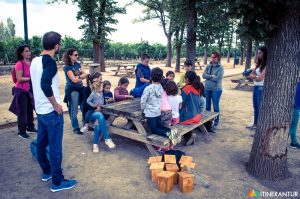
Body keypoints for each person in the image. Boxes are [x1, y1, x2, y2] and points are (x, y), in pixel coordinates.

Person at [30, 31, 77, 192]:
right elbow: (44, 85)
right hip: (51, 112)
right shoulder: (49, 61)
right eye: (60, 45)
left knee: (42, 143)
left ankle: (47, 171)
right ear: (56, 46)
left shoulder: (34, 61)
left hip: (41, 112)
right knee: (55, 147)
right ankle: (57, 182)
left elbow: (33, 86)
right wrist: (56, 104)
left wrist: (37, 104)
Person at [141, 67, 180, 145]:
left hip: (150, 113)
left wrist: (143, 111)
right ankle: (172, 132)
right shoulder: (161, 88)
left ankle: (170, 135)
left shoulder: (148, 88)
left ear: (151, 77)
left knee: (154, 129)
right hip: (158, 112)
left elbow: (143, 101)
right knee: (159, 125)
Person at [9, 44, 37, 139]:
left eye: (29, 50)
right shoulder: (19, 64)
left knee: (30, 110)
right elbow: (19, 78)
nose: (29, 52)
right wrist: (32, 78)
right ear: (21, 53)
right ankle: (21, 131)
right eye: (26, 51)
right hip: (21, 90)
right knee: (22, 112)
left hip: (29, 90)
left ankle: (30, 127)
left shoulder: (31, 63)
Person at [85, 74, 116, 153]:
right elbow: (85, 105)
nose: (102, 80)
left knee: (98, 123)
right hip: (90, 113)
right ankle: (106, 138)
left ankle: (95, 144)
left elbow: (102, 103)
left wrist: (103, 105)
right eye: (100, 79)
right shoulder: (88, 91)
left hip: (99, 113)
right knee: (99, 115)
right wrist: (95, 107)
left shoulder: (101, 92)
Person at [63, 48, 88, 135]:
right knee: (74, 109)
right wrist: (81, 76)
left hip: (80, 88)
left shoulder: (77, 64)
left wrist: (79, 77)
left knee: (83, 107)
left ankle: (86, 125)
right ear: (70, 56)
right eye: (75, 55)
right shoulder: (67, 67)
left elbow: (86, 74)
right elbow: (73, 80)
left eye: (77, 55)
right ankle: (76, 127)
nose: (77, 56)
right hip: (72, 90)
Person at [180, 71, 205, 145]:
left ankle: (189, 135)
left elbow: (182, 103)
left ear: (187, 79)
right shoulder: (198, 87)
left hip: (189, 117)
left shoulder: (186, 89)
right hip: (198, 116)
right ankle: (189, 136)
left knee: (175, 119)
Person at [246, 47, 267, 130]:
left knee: (259, 107)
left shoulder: (266, 64)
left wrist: (254, 76)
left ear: (265, 54)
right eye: (258, 53)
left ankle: (259, 126)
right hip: (255, 87)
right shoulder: (259, 64)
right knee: (255, 107)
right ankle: (255, 124)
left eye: (260, 53)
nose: (258, 55)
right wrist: (255, 76)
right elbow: (251, 74)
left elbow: (260, 78)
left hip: (261, 88)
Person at [202, 52, 224, 129]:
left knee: (215, 107)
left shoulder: (220, 67)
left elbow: (217, 78)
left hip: (216, 90)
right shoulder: (208, 66)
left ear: (218, 58)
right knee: (207, 106)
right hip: (207, 89)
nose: (212, 58)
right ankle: (208, 122)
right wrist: (211, 76)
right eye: (211, 57)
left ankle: (216, 122)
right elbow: (203, 75)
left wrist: (208, 77)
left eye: (214, 57)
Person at [289, 82, 300, 149]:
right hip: (295, 108)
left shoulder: (295, 83)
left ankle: (294, 141)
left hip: (292, 107)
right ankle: (293, 142)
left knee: (292, 125)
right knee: (293, 126)